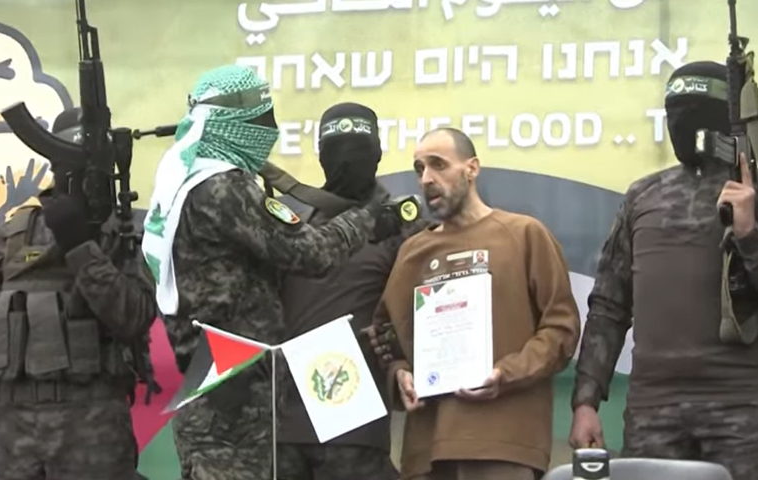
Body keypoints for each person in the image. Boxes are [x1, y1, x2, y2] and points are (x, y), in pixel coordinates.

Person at [140, 65, 404, 480]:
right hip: (234, 390)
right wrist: (368, 217)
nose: (271, 132)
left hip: (220, 378)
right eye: (262, 121)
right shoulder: (223, 187)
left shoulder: (183, 181)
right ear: (237, 125)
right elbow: (311, 253)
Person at [569, 61, 758, 480]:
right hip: (654, 410)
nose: (681, 124)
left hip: (744, 410)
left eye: (695, 112)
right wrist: (585, 401)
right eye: (674, 112)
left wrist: (748, 235)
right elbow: (609, 307)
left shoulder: (752, 192)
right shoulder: (643, 196)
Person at [371, 127, 581, 480]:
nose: (427, 178)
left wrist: (506, 373)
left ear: (472, 168)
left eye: (438, 164)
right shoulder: (412, 252)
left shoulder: (524, 234)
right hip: (426, 452)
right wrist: (400, 374)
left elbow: (561, 329)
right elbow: (385, 332)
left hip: (502, 444)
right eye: (419, 168)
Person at [0, 106, 157, 480]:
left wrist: (81, 246)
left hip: (93, 429)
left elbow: (133, 317)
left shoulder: (124, 234)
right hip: (13, 431)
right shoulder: (12, 236)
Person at [276, 102, 425, 480]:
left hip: (355, 424)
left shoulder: (403, 225)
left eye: (357, 148)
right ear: (320, 155)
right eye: (336, 148)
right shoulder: (293, 225)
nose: (346, 160)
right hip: (284, 425)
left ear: (377, 153)